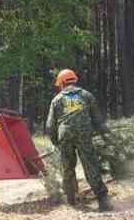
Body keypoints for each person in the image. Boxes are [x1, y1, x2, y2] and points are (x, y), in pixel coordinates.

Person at [46, 69, 112, 212]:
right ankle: (103, 200)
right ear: (74, 80)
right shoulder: (86, 95)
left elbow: (50, 125)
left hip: (65, 135)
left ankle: (71, 200)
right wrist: (105, 134)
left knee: (68, 167)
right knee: (90, 164)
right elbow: (97, 118)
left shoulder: (57, 100)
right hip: (84, 134)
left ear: (62, 83)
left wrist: (55, 141)